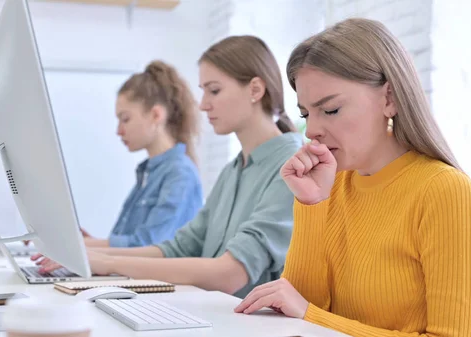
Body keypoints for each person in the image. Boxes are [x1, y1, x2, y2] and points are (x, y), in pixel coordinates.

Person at [234, 18, 471, 336]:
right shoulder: (331, 183)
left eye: (331, 110)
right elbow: (298, 315)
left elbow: (307, 315)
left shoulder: (444, 191)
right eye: (305, 113)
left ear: (390, 98)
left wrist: (311, 315)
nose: (311, 130)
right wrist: (311, 203)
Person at [34, 35, 303, 298]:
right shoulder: (233, 170)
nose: (203, 104)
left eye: (214, 90)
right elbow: (179, 247)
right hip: (214, 314)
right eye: (203, 91)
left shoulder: (292, 167)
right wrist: (90, 256)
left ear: (255, 90)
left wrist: (107, 263)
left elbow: (230, 274)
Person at [84, 60, 203, 248]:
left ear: (156, 115)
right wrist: (90, 244)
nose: (119, 131)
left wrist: (89, 246)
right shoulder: (149, 173)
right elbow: (129, 241)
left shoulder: (180, 174)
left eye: (125, 119)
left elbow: (149, 246)